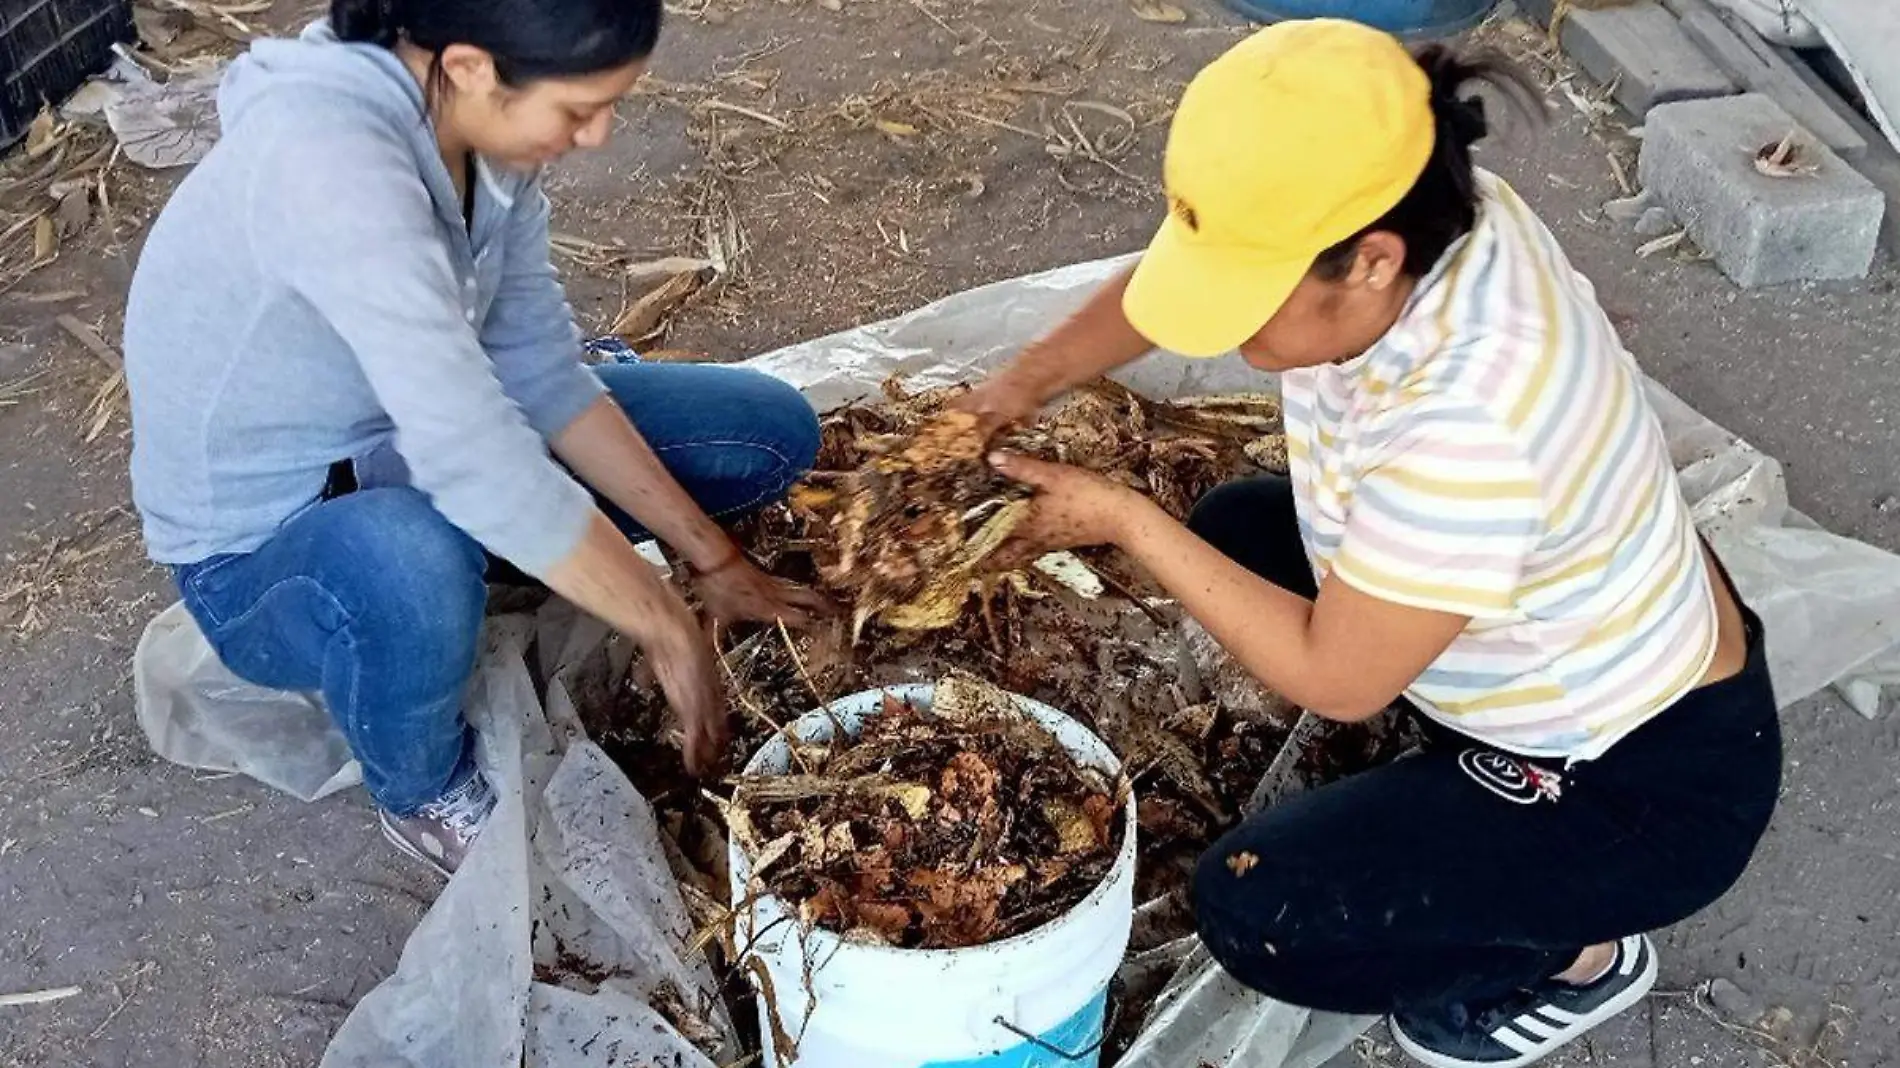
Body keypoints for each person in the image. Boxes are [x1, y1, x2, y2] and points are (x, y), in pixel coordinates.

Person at [958, 21, 1781, 1068]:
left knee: (1263, 912)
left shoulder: (1470, 422)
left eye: (1248, 300)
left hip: (1635, 778)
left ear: (1370, 262)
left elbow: (1336, 679)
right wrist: (1024, 380)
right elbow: (1176, 285)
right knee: (1234, 537)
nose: (1221, 330)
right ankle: (1450, 780)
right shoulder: (1424, 211)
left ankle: (1573, 957)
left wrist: (1120, 514)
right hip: (1542, 635)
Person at [123, 0, 824, 877]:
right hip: (265, 550)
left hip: (409, 440)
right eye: (576, 111)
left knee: (766, 434)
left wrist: (713, 561)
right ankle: (420, 788)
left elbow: (538, 369)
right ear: (469, 66)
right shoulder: (331, 170)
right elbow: (478, 461)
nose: (598, 135)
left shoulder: (480, 139)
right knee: (407, 560)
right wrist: (663, 621)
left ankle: (502, 556)